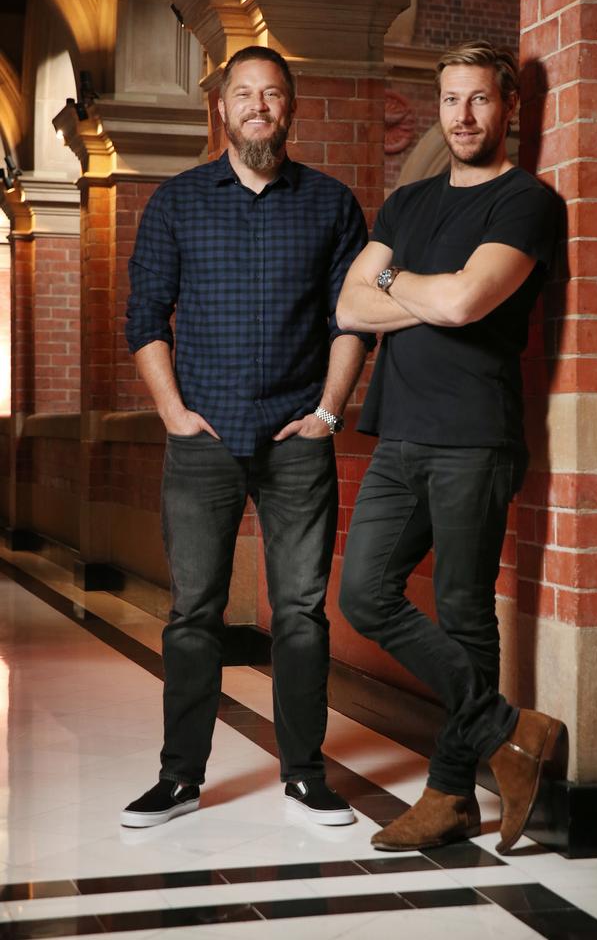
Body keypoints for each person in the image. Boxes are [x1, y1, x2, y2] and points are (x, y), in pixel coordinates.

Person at [121, 46, 373, 829]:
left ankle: (304, 774)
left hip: (298, 439)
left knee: (300, 615)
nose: (258, 105)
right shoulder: (176, 204)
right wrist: (171, 412)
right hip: (202, 441)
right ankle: (179, 778)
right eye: (243, 94)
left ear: (289, 108)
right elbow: (144, 318)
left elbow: (351, 320)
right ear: (220, 110)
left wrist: (330, 411)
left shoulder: (333, 206)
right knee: (193, 612)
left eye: (272, 93)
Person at [336, 40, 566, 855]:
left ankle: (447, 795)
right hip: (400, 432)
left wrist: (399, 285)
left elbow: (468, 301)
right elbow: (349, 308)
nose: (462, 117)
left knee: (465, 611)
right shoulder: (408, 202)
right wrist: (415, 294)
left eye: (477, 100)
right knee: (363, 594)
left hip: (475, 434)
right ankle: (514, 729)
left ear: (508, 108)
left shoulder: (527, 202)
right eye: (449, 101)